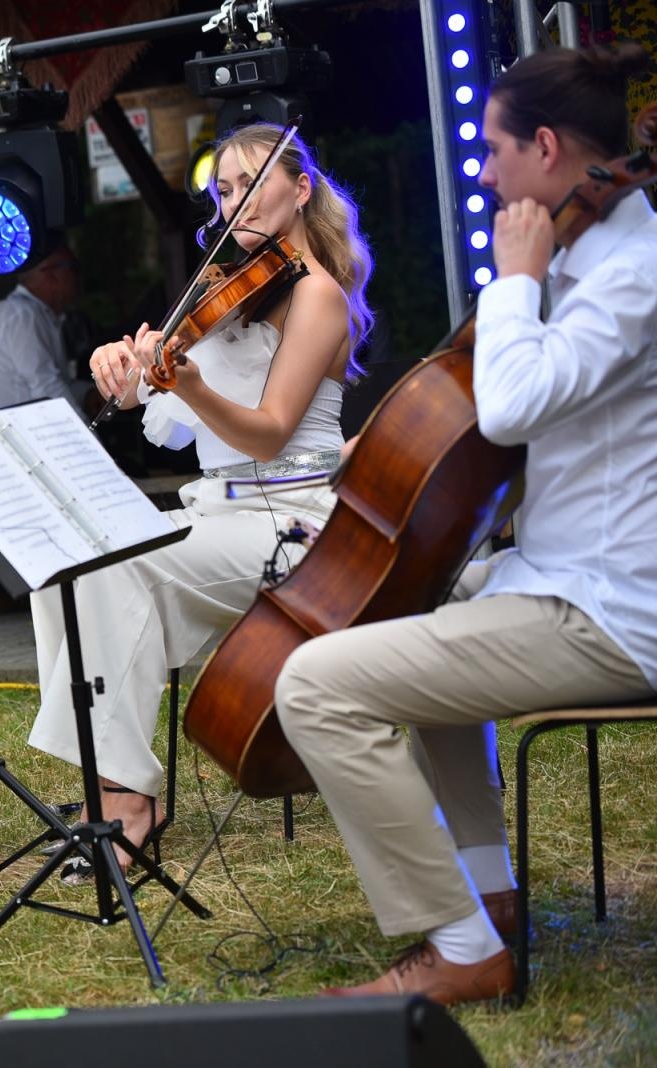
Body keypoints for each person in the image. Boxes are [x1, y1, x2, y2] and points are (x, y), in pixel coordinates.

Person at [273, 43, 655, 1006]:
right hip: (557, 574)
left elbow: (510, 410)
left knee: (314, 684)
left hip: (610, 611)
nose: (482, 171)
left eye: (492, 150)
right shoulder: (591, 256)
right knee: (417, 612)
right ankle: (488, 892)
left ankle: (460, 947)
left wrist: (514, 275)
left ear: (548, 146)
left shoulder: (633, 275)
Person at [28, 123, 374, 880]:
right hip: (217, 511)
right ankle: (105, 780)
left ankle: (126, 801)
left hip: (291, 520)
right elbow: (172, 424)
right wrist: (127, 372)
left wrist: (188, 381)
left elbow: (269, 434)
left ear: (300, 188)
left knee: (118, 571)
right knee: (66, 567)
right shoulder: (228, 290)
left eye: (252, 182)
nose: (235, 201)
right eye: (223, 188)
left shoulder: (315, 294)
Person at [0, 240, 89, 415]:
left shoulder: (33, 314)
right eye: (73, 267)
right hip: (3, 438)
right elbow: (48, 388)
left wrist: (89, 393)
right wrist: (91, 440)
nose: (79, 276)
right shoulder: (20, 316)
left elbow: (55, 384)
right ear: (52, 276)